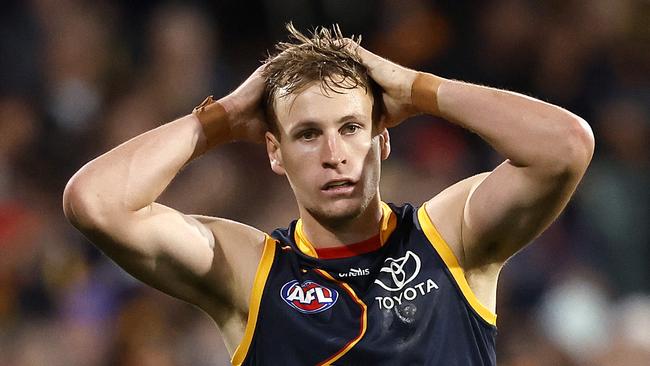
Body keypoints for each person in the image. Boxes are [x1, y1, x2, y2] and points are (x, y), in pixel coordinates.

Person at [63, 24, 594, 365]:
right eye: (308, 134)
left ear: (382, 139)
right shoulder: (249, 272)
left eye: (351, 127)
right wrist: (220, 118)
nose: (334, 153)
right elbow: (94, 202)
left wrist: (417, 88)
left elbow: (565, 146)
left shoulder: (450, 238)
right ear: (275, 153)